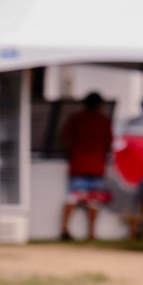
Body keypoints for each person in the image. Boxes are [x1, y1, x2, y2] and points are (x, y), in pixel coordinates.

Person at [59, 91, 113, 242]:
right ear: (100, 105)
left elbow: (65, 139)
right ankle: (91, 233)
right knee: (94, 200)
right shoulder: (104, 121)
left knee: (72, 198)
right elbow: (109, 144)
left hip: (78, 164)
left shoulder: (76, 119)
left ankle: (64, 228)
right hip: (97, 166)